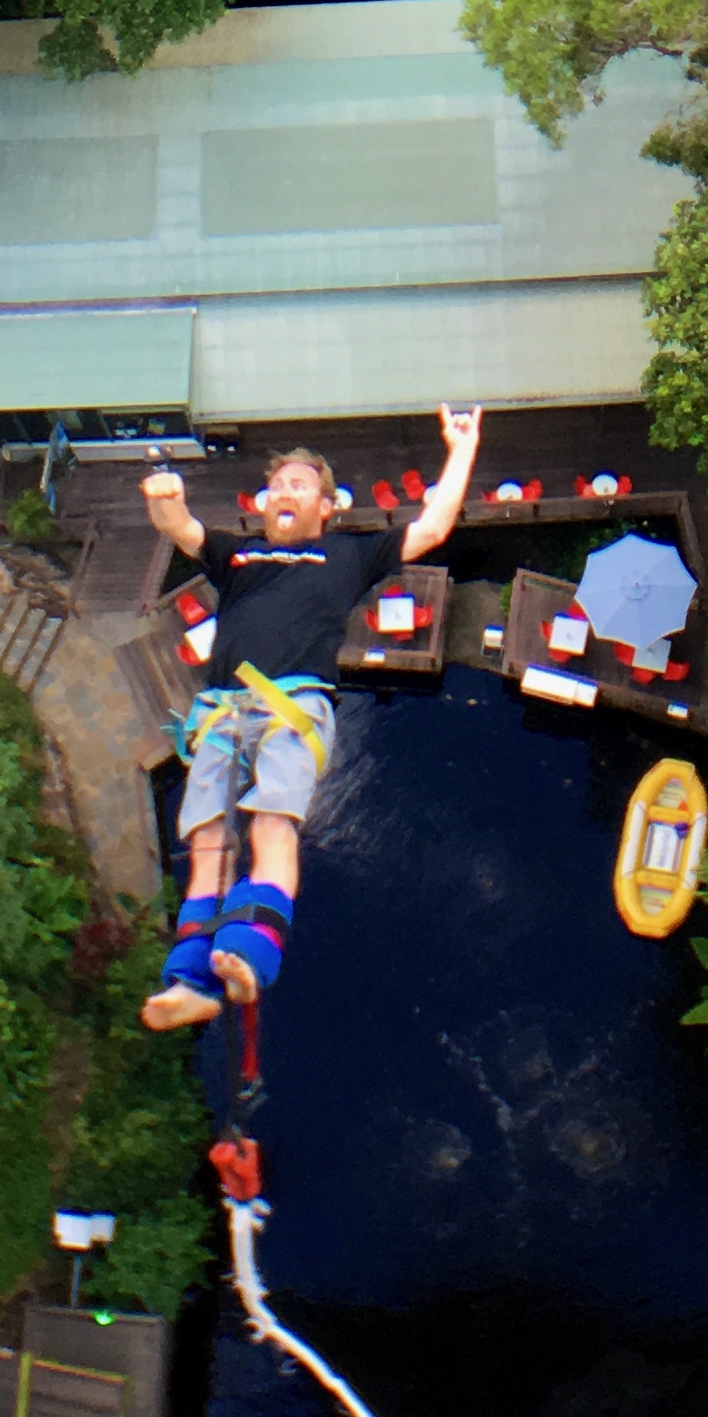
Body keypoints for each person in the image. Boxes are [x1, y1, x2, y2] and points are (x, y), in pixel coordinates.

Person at [138, 408, 483, 1029]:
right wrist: (164, 498)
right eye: (277, 486)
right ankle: (191, 980)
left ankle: (247, 958)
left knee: (272, 826)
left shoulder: (348, 555)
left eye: (299, 485)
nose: (284, 492)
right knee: (208, 842)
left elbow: (432, 527)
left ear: (327, 506)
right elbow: (179, 527)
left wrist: (462, 449)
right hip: (220, 711)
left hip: (289, 708)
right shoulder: (236, 556)